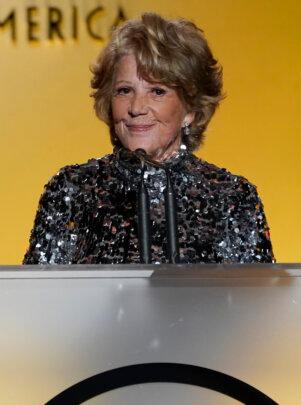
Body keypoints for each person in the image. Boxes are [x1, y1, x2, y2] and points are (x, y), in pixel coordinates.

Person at [23, 13, 274, 265]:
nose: (136, 107)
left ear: (190, 110)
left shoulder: (232, 198)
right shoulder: (72, 190)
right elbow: (35, 299)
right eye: (124, 90)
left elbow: (259, 301)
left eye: (157, 91)